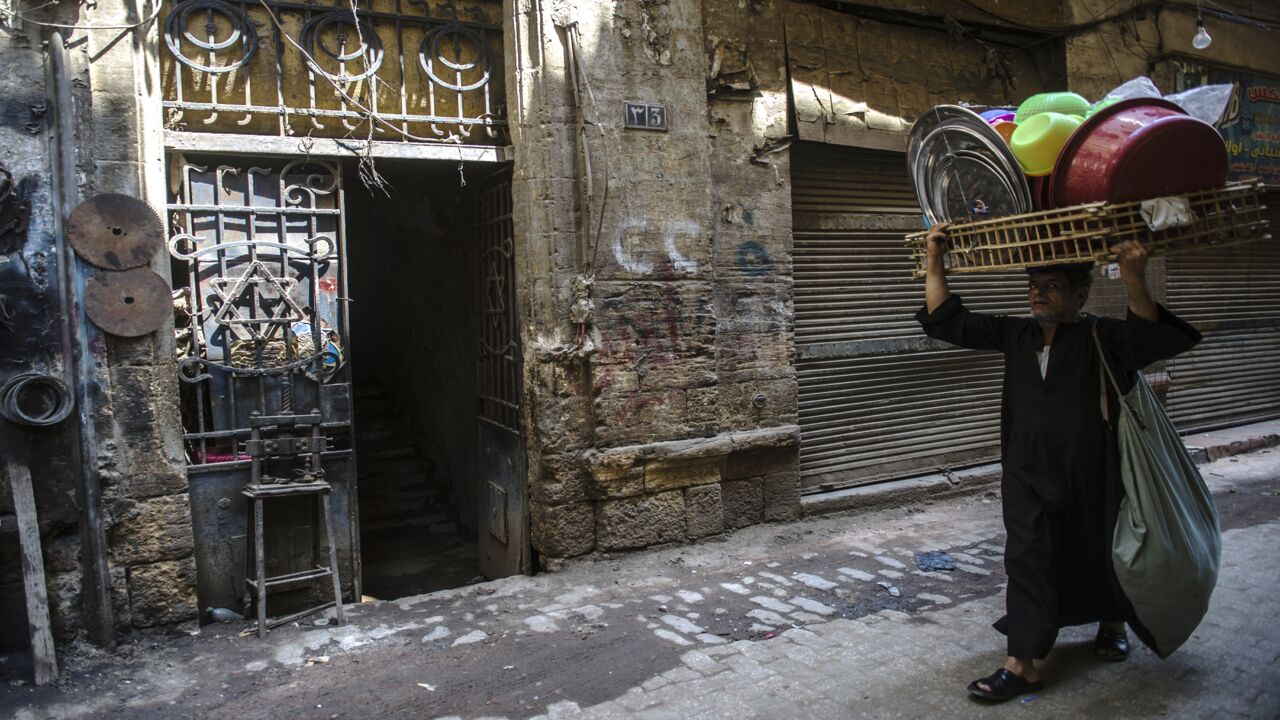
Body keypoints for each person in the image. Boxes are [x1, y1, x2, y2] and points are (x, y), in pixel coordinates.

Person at [915, 224, 1201, 702]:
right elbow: (945, 318)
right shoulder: (1015, 332)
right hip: (1027, 472)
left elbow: (1150, 340)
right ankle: (1021, 663)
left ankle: (1114, 623)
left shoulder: (1102, 336)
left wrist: (1134, 278)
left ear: (1080, 293)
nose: (1037, 294)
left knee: (1105, 550)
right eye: (1033, 285)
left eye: (1050, 286)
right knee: (1027, 558)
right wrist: (934, 257)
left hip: (1096, 472)